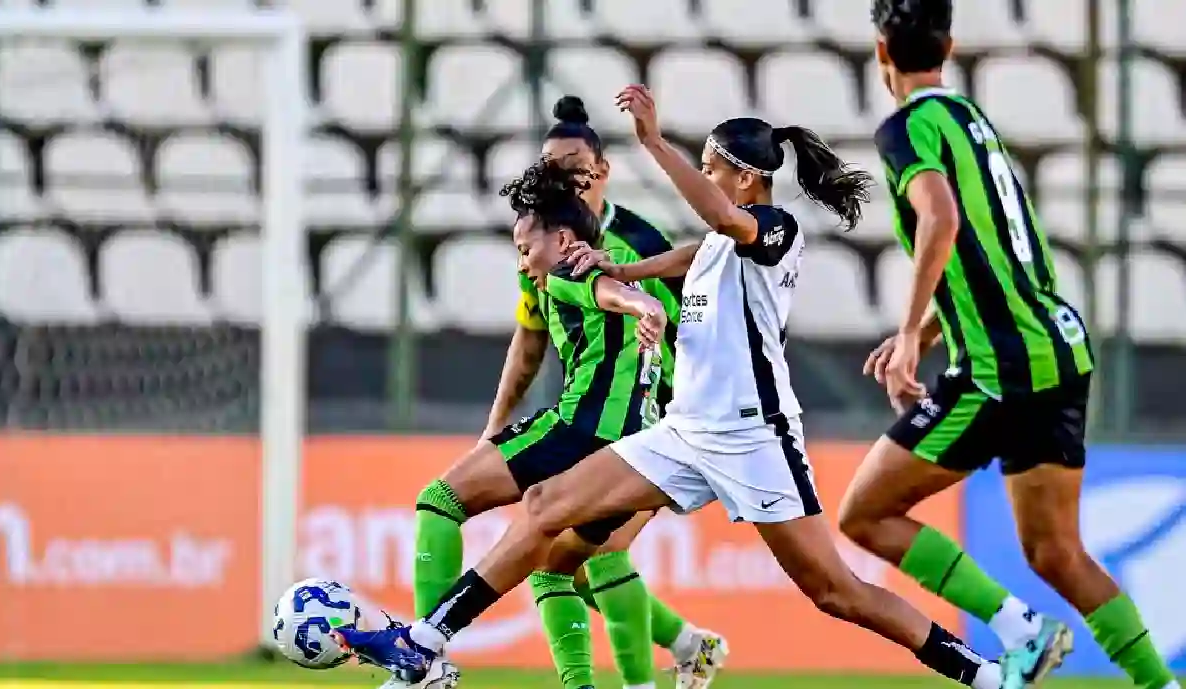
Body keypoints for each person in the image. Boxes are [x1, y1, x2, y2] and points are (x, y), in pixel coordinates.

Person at [336, 84, 1021, 689]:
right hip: (684, 431)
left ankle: (983, 673)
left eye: (712, 167)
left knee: (836, 590)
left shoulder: (776, 229)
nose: (704, 177)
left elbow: (724, 226)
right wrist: (622, 271)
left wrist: (654, 143)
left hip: (753, 435)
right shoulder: (725, 239)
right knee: (545, 505)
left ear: (747, 178)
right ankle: (423, 646)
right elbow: (699, 249)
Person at [835, 2, 1182, 689]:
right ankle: (1159, 683)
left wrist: (910, 335)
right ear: (950, 47)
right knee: (1055, 549)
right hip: (1059, 348)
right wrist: (928, 326)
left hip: (1001, 368)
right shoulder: (973, 122)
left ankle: (1023, 628)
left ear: (881, 54)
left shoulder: (906, 129)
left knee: (866, 513)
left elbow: (940, 217)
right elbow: (987, 254)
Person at [402, 138, 714, 689]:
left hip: (587, 429)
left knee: (441, 498)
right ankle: (674, 653)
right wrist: (645, 308)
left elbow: (608, 294)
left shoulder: (576, 264)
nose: (524, 264)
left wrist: (644, 308)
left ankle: (425, 658)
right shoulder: (598, 258)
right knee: (557, 564)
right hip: (645, 446)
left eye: (525, 249)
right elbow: (622, 292)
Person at [475, 95, 726, 689]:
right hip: (594, 419)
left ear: (601, 171)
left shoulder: (638, 240)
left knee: (596, 553)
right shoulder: (541, 249)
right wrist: (495, 426)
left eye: (573, 166)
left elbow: (690, 316)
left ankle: (645, 676)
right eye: (550, 166)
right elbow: (530, 341)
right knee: (570, 561)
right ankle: (692, 646)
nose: (561, 177)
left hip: (661, 417)